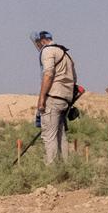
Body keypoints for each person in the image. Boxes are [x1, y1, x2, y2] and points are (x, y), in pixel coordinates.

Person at [32, 30, 78, 163]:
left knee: (49, 136)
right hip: (66, 99)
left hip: (53, 97)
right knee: (60, 134)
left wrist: (41, 98)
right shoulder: (65, 53)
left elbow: (48, 74)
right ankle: (65, 168)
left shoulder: (48, 51)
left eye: (37, 43)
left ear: (42, 41)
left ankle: (51, 171)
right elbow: (74, 78)